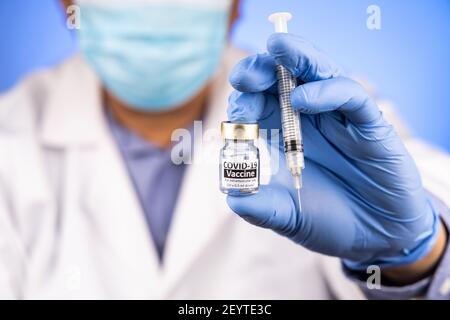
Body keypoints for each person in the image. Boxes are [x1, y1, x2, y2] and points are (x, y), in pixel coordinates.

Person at [0, 0, 449, 299]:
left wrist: (414, 257)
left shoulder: (322, 110)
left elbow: (430, 187)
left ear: (234, 6)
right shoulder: (11, 137)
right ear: (68, 5)